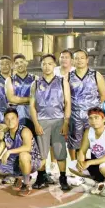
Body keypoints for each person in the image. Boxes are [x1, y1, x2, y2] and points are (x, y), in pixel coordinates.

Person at [29, 54, 71, 191]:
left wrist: (66, 122)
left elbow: (67, 102)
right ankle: (41, 176)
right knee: (42, 153)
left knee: (60, 151)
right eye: (44, 64)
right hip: (42, 121)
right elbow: (32, 106)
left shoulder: (62, 81)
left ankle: (63, 178)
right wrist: (36, 124)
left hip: (58, 120)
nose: (47, 66)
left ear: (54, 65)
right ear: (41, 66)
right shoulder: (35, 83)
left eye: (50, 63)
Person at [0, 108, 42, 196]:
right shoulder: (5, 134)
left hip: (32, 161)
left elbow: (27, 147)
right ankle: (18, 177)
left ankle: (26, 184)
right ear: (4, 120)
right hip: (15, 163)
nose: (10, 121)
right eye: (7, 119)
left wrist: (9, 152)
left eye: (12, 118)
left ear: (17, 119)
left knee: (23, 155)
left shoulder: (24, 131)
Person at [68, 49, 105, 162]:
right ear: (73, 61)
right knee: (76, 143)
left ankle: (98, 168)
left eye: (82, 58)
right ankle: (78, 168)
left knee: (96, 141)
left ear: (87, 60)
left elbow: (104, 95)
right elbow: (66, 97)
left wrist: (93, 107)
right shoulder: (68, 76)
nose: (79, 60)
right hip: (75, 115)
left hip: (92, 115)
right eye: (76, 58)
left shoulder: (95, 75)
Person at [68, 107, 105, 200]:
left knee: (104, 167)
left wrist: (89, 162)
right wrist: (80, 161)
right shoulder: (88, 131)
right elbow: (82, 150)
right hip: (98, 163)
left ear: (104, 119)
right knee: (72, 165)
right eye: (91, 118)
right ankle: (99, 183)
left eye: (97, 117)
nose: (93, 121)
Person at [5, 54, 37, 130]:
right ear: (13, 66)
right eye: (16, 63)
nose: (19, 65)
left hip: (32, 115)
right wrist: (30, 99)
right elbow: (11, 99)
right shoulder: (9, 80)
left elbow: (38, 98)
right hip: (16, 115)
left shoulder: (35, 78)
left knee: (33, 138)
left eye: (21, 62)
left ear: (26, 63)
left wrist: (18, 100)